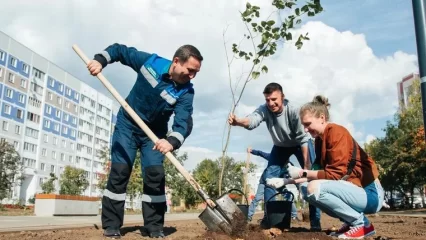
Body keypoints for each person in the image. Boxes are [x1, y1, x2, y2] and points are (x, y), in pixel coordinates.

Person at [87, 43, 203, 239]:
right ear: (176, 62)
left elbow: (183, 122)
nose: (192, 76)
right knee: (120, 171)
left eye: (196, 73)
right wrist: (100, 61)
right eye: (190, 70)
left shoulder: (186, 92)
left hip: (154, 135)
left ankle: (154, 227)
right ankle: (112, 225)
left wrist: (171, 142)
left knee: (155, 176)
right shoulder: (151, 63)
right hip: (128, 126)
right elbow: (120, 51)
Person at [266, 95, 384, 239]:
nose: (306, 130)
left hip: (370, 193)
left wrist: (302, 172)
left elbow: (333, 175)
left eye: (308, 124)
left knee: (313, 188)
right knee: (306, 188)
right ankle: (352, 221)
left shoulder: (336, 132)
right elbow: (314, 173)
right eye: (304, 125)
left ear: (322, 118)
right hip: (355, 192)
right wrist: (286, 182)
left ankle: (360, 224)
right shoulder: (319, 141)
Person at [228, 82, 320, 230]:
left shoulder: (294, 110)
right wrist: (238, 121)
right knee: (269, 178)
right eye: (267, 100)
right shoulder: (264, 109)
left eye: (274, 99)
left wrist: (307, 168)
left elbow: (303, 139)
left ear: (282, 97)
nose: (271, 103)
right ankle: (269, 219)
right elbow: (252, 120)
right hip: (280, 146)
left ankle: (315, 224)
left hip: (300, 143)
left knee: (312, 178)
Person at [246, 147, 299, 222]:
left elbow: (294, 176)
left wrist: (298, 187)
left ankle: (294, 215)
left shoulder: (290, 166)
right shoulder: (273, 157)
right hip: (264, 181)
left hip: (279, 183)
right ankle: (249, 216)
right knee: (257, 198)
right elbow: (261, 153)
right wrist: (251, 151)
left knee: (289, 197)